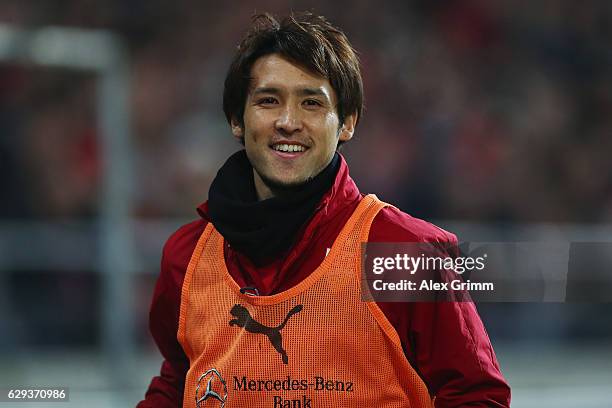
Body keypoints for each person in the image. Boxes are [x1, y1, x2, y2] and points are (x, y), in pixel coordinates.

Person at [138, 12, 510, 407]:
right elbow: (178, 380)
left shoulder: (403, 253)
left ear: (347, 123)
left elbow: (477, 396)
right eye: (268, 101)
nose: (288, 121)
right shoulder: (186, 257)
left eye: (311, 103)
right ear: (236, 120)